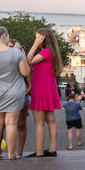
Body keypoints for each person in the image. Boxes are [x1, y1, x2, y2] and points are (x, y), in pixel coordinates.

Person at [0, 26, 31, 161]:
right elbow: (25, 72)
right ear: (4, 36)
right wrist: (21, 53)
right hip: (14, 91)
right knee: (11, 124)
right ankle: (11, 154)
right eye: (8, 36)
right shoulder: (16, 53)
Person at [26, 28, 62, 158]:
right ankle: (52, 149)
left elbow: (28, 60)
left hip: (41, 88)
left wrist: (34, 45)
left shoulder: (45, 52)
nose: (35, 40)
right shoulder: (51, 52)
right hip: (48, 88)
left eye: (37, 38)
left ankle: (40, 151)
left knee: (39, 122)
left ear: (43, 39)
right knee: (51, 120)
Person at [7, 39, 32, 159]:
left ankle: (19, 152)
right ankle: (0, 152)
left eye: (13, 46)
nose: (10, 49)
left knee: (21, 125)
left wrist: (22, 95)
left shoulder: (23, 61)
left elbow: (30, 84)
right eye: (8, 46)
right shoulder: (3, 61)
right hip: (6, 97)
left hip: (22, 97)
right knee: (2, 125)